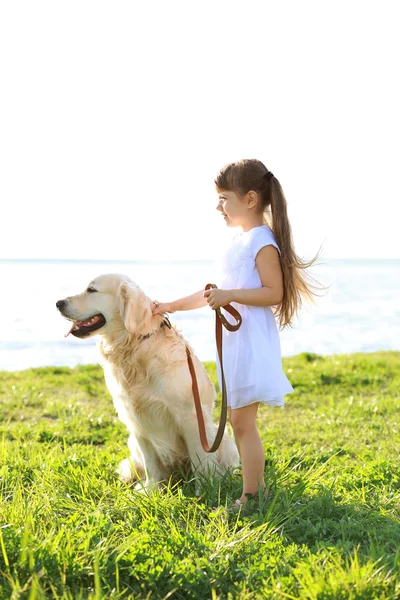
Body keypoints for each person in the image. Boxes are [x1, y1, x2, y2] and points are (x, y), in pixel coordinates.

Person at [152, 158, 323, 511]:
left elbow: (273, 292)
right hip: (236, 343)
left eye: (224, 198)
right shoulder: (241, 241)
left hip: (250, 343)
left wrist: (229, 296)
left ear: (249, 199)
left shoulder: (262, 241)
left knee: (243, 423)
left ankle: (251, 495)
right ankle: (253, 490)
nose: (218, 206)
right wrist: (169, 304)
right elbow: (213, 292)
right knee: (240, 421)